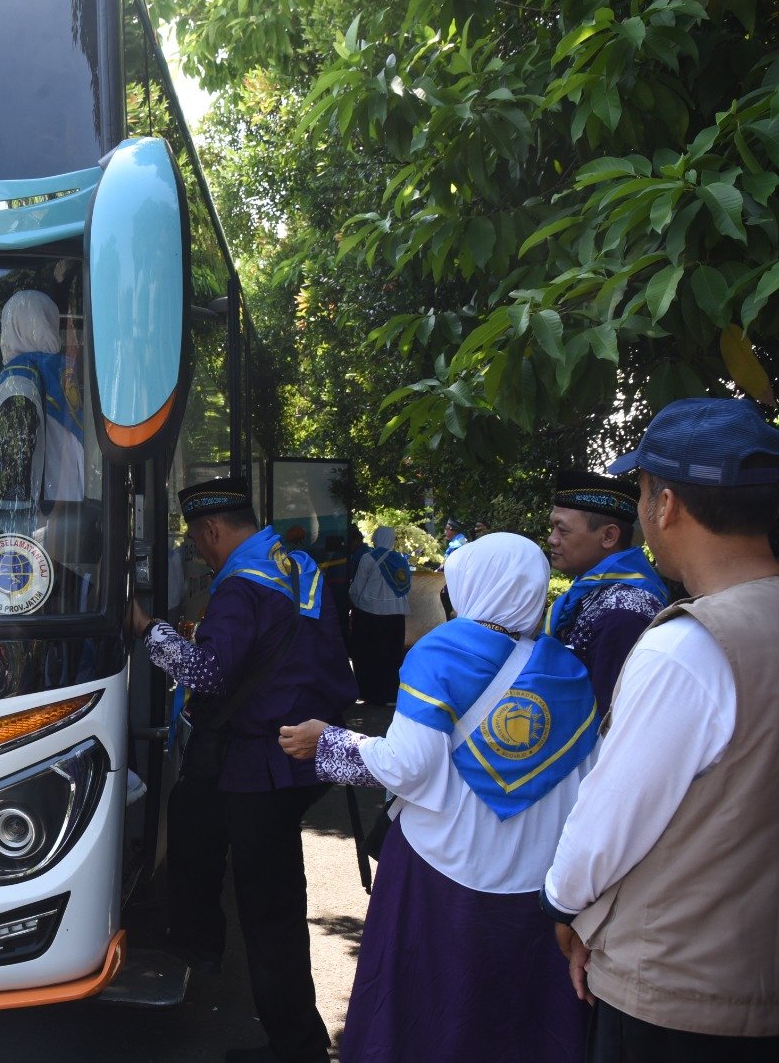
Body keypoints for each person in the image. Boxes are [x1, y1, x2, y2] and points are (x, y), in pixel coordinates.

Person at [280, 533, 599, 1062]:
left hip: (442, 864)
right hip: (537, 879)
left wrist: (327, 741)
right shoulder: (567, 669)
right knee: (515, 1018)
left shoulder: (444, 651)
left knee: (427, 1010)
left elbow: (407, 766)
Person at [542, 398, 779, 1061]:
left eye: (642, 492)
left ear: (666, 506)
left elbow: (610, 819)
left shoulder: (688, 647)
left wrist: (563, 906)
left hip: (675, 990)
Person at [128, 478, 354, 1063]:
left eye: (197, 542)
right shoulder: (296, 563)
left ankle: (296, 1046)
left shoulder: (241, 585)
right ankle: (197, 945)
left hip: (261, 762)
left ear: (210, 531)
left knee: (271, 913)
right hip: (303, 751)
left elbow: (206, 676)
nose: (199, 554)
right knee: (195, 818)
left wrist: (144, 627)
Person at [543, 469, 668, 712]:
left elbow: (609, 715)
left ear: (609, 536)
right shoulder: (591, 590)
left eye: (563, 530)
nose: (552, 539)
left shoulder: (623, 613)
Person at [0, 290, 84, 535]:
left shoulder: (19, 376)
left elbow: (12, 455)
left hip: (36, 517)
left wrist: (3, 521)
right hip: (70, 507)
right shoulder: (64, 373)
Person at [348, 526, 410, 705]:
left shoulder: (369, 558)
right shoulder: (401, 560)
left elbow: (357, 588)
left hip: (371, 614)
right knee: (392, 656)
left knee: (369, 655)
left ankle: (370, 693)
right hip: (397, 615)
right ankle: (390, 694)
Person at [438, 517, 468, 618]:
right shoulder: (460, 540)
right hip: (458, 584)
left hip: (455, 586)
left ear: (451, 529)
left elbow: (447, 565)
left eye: (446, 529)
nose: (444, 531)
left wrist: (435, 572)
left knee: (451, 615)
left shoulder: (457, 545)